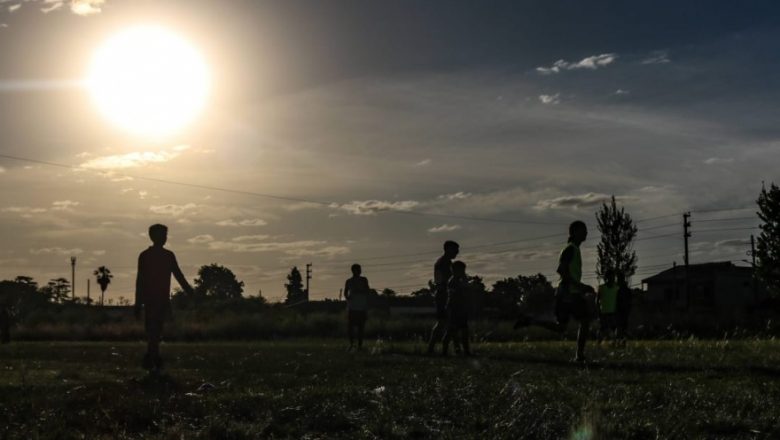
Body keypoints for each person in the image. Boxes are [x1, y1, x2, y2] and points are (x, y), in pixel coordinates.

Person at [514, 220, 596, 363]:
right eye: (584, 230)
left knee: (561, 327)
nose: (586, 233)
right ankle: (579, 356)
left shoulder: (574, 249)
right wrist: (580, 286)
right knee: (585, 320)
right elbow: (561, 270)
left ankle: (532, 320)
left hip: (568, 292)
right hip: (569, 293)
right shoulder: (570, 249)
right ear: (575, 232)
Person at [135, 224, 195, 373]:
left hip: (158, 299)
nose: (165, 238)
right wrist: (137, 302)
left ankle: (152, 356)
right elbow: (140, 280)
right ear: (154, 237)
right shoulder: (150, 256)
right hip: (153, 299)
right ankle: (153, 358)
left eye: (165, 235)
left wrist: (190, 292)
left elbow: (178, 275)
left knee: (155, 330)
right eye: (162, 235)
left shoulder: (161, 255)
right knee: (154, 330)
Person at [427, 240, 461, 355]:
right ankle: (432, 349)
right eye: (455, 249)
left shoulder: (443, 262)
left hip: (443, 294)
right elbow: (444, 280)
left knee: (449, 323)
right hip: (443, 295)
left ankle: (456, 349)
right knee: (444, 322)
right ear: (448, 249)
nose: (457, 252)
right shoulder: (443, 263)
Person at [442, 261, 471, 356]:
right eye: (462, 270)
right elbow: (453, 296)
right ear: (455, 270)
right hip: (454, 309)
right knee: (451, 331)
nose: (463, 272)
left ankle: (465, 351)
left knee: (464, 330)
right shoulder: (453, 281)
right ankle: (445, 351)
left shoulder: (458, 281)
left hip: (460, 309)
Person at [344, 264, 370, 351]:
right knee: (350, 327)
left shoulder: (364, 280)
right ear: (353, 270)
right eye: (358, 269)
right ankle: (351, 344)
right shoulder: (349, 281)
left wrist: (361, 291)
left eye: (360, 269)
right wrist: (348, 298)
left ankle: (359, 345)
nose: (360, 271)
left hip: (362, 307)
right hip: (352, 308)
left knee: (361, 328)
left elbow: (367, 290)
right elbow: (345, 293)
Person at [597, 270, 619, 343]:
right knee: (602, 328)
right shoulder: (602, 287)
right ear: (607, 277)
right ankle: (599, 342)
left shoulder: (616, 287)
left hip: (613, 312)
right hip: (604, 312)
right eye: (610, 276)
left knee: (614, 328)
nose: (612, 278)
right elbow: (597, 299)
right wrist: (598, 310)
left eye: (613, 276)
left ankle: (614, 342)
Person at [615, 272, 632, 346]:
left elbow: (629, 299)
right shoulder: (621, 289)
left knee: (621, 327)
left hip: (622, 310)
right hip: (621, 310)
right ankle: (621, 342)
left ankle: (621, 342)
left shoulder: (620, 289)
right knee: (621, 327)